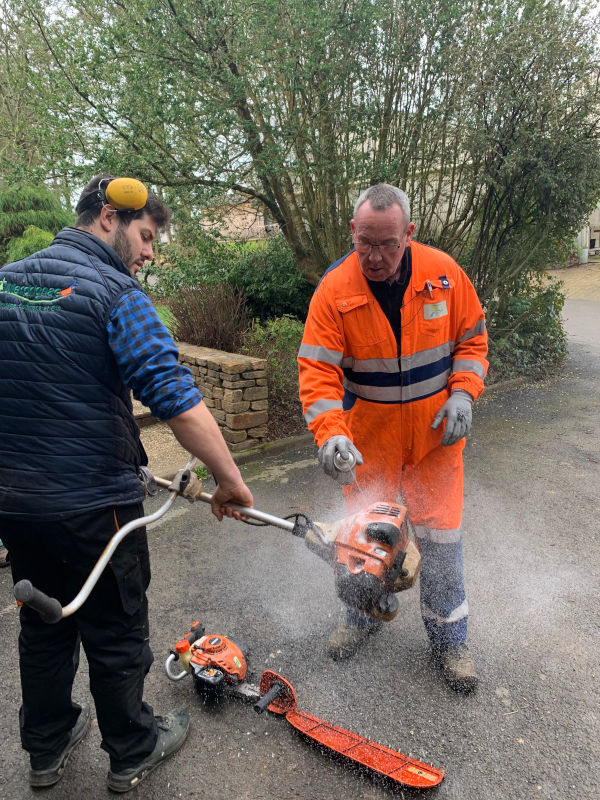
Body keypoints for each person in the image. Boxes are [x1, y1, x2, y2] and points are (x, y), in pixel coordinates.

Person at [0, 174, 254, 791]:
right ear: (110, 217)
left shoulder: (6, 280)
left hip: (18, 503)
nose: (148, 254)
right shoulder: (117, 295)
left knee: (45, 619)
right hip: (95, 507)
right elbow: (177, 400)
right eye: (145, 237)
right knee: (114, 627)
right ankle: (132, 748)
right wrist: (231, 482)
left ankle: (47, 746)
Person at [298, 183, 488, 693]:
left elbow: (473, 340)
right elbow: (317, 373)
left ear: (410, 233)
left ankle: (451, 645)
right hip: (369, 449)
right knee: (363, 545)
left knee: (441, 545)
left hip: (434, 447)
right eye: (365, 244)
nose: (375, 257)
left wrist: (464, 394)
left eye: (387, 244)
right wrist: (330, 434)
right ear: (352, 233)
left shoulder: (445, 276)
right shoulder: (334, 291)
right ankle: (359, 620)